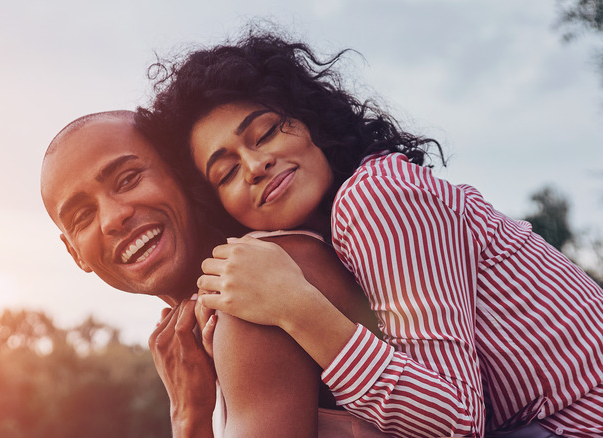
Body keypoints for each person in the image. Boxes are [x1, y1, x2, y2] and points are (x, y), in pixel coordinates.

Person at [136, 30, 603, 437]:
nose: (257, 165)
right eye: (227, 172)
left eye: (266, 133)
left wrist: (296, 307)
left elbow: (459, 421)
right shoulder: (328, 240)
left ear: (308, 122)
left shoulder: (375, 196)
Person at [39, 110, 387, 437]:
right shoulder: (212, 317)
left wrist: (189, 421)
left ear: (185, 172)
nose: (113, 218)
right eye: (82, 216)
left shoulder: (255, 292)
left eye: (128, 179)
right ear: (75, 254)